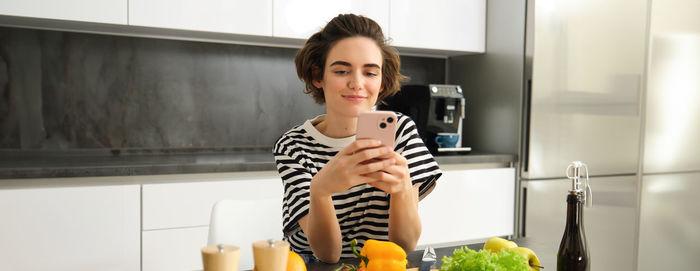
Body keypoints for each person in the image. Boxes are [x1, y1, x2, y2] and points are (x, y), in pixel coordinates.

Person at [272, 13, 441, 263]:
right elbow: (328, 255)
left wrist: (403, 188)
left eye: (370, 73)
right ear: (318, 76)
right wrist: (320, 190)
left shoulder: (401, 132)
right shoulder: (294, 146)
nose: (357, 83)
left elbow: (403, 246)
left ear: (382, 82)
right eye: (342, 70)